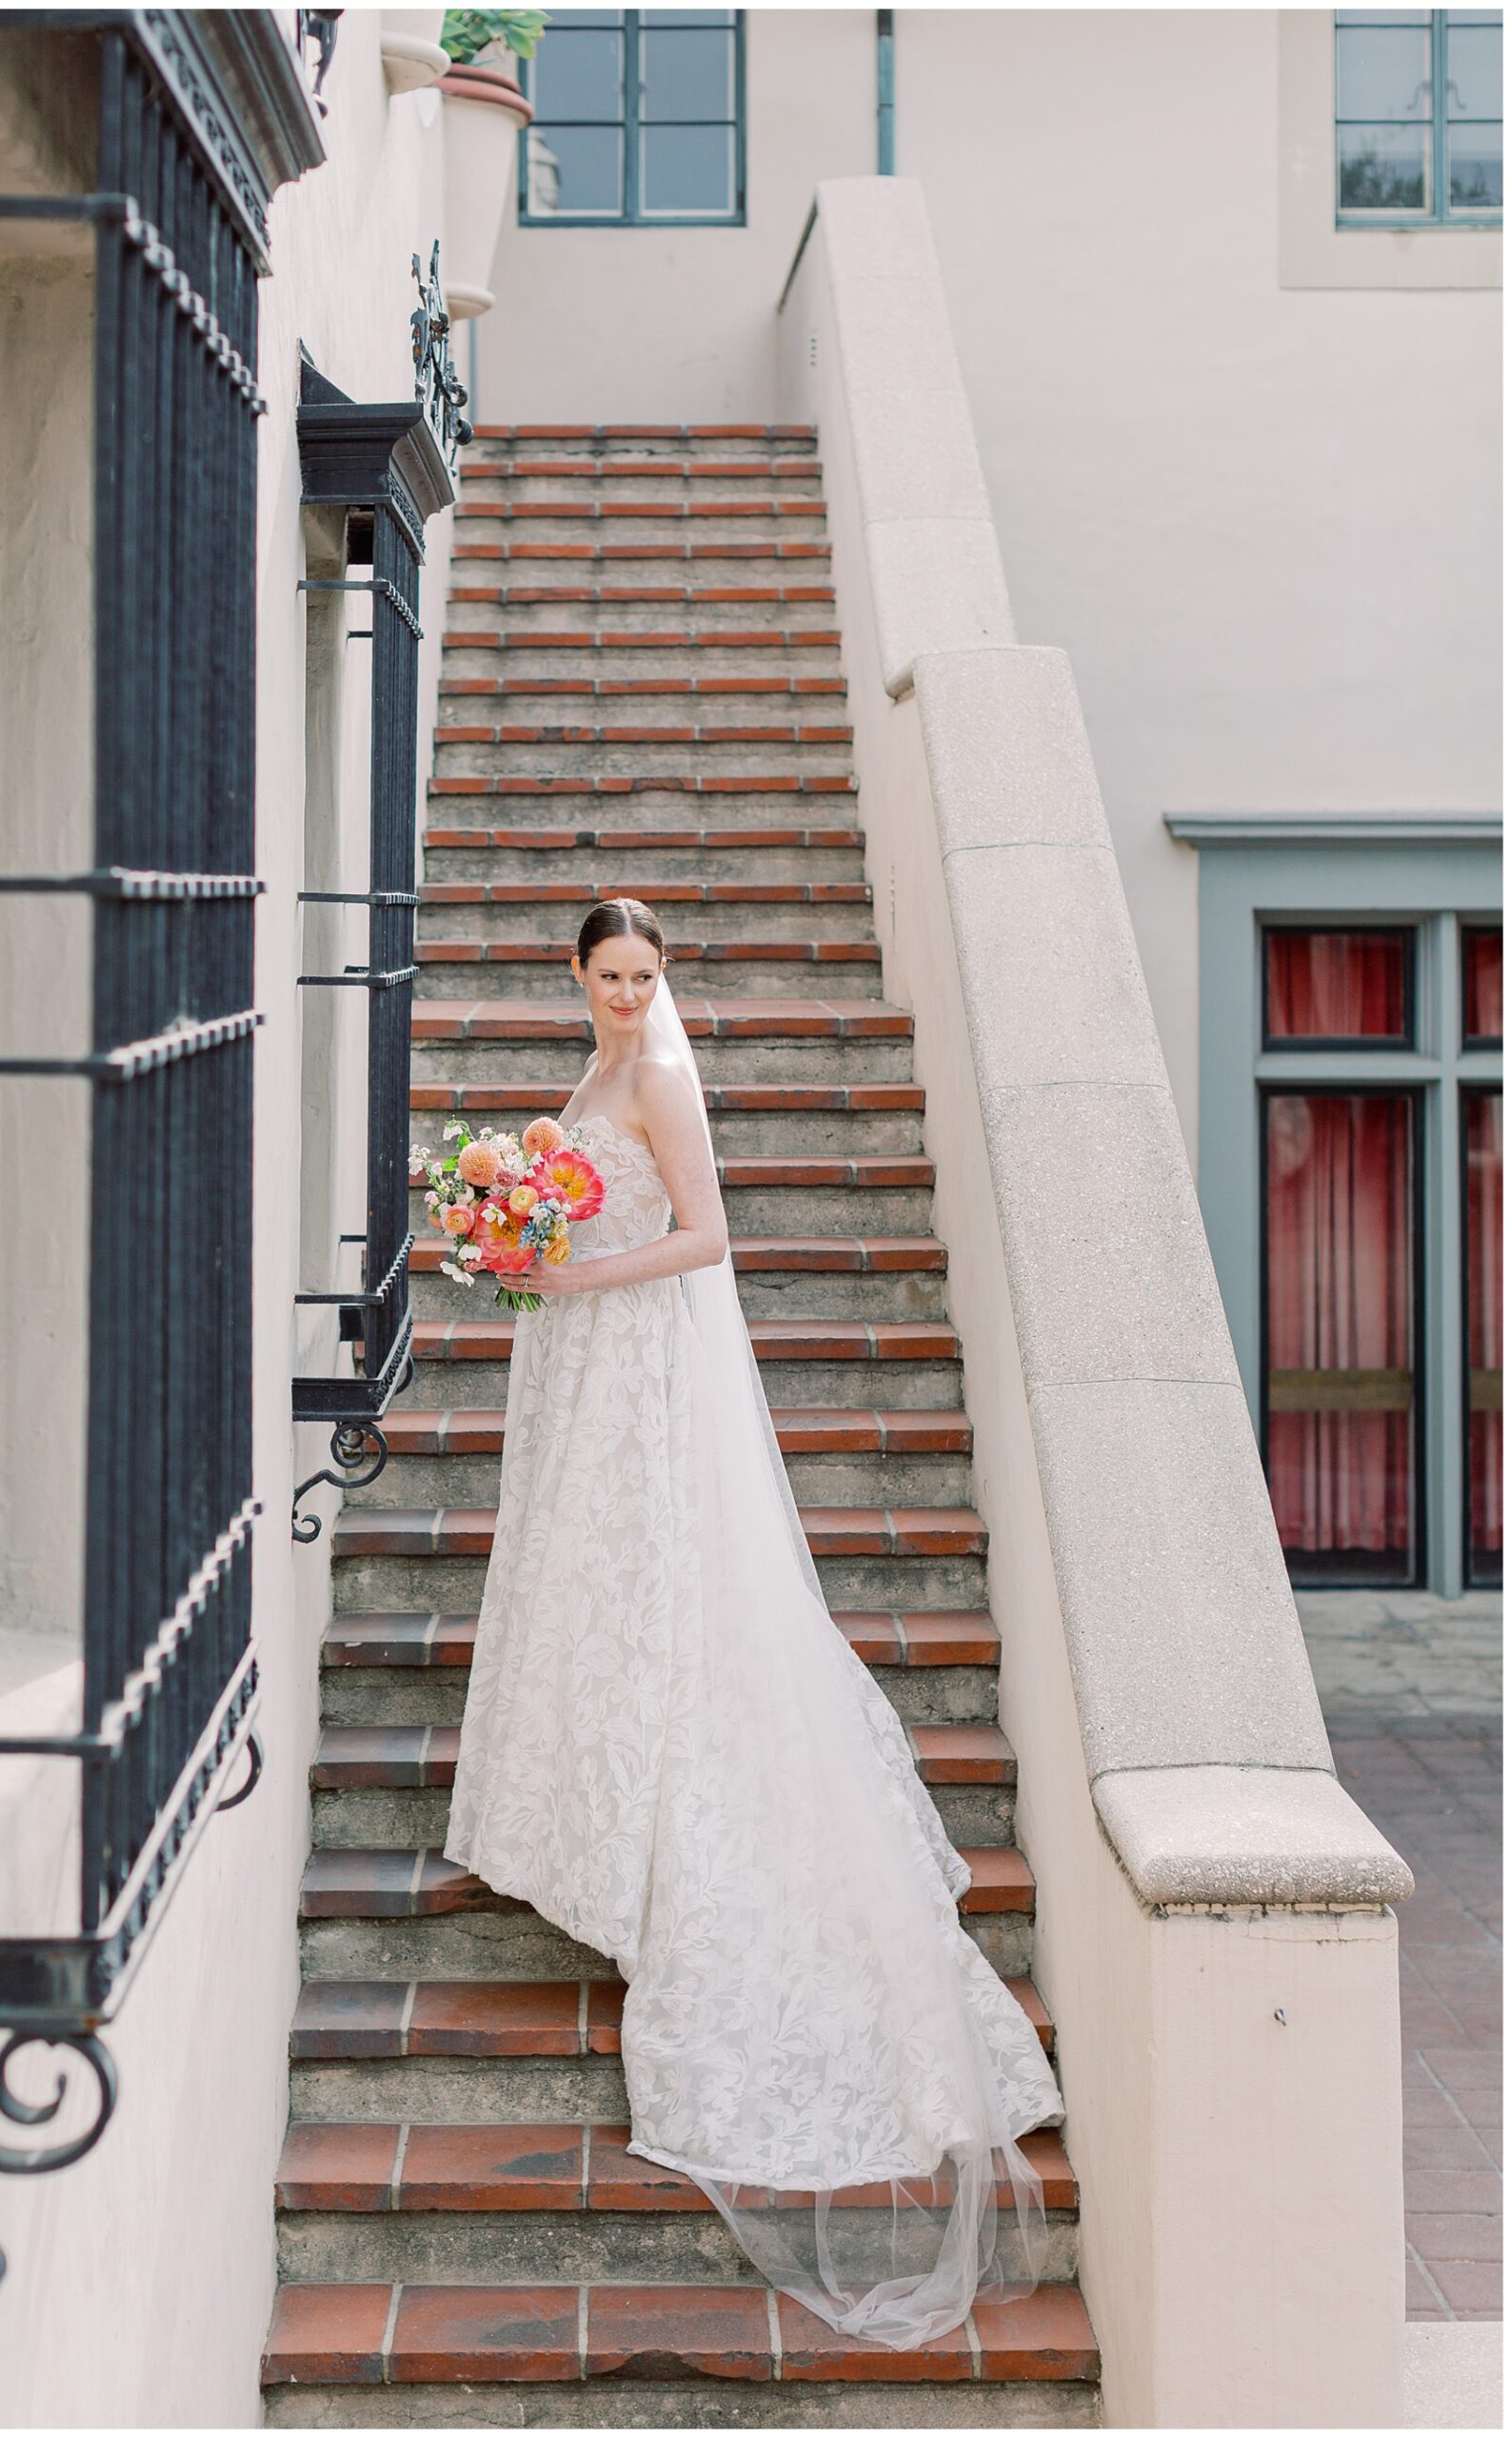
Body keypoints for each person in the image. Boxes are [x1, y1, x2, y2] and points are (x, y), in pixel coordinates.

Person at [443, 896, 1064, 2350]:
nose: (624, 995)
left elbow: (709, 1237)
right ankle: (589, 1822)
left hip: (643, 1357)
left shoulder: (657, 1071)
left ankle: (665, 1842)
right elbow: (585, 1193)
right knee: (592, 1589)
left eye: (643, 976)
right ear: (572, 977)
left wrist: (572, 1267)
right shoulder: (596, 1069)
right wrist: (514, 1223)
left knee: (661, 1593)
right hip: (590, 1362)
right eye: (606, 977)